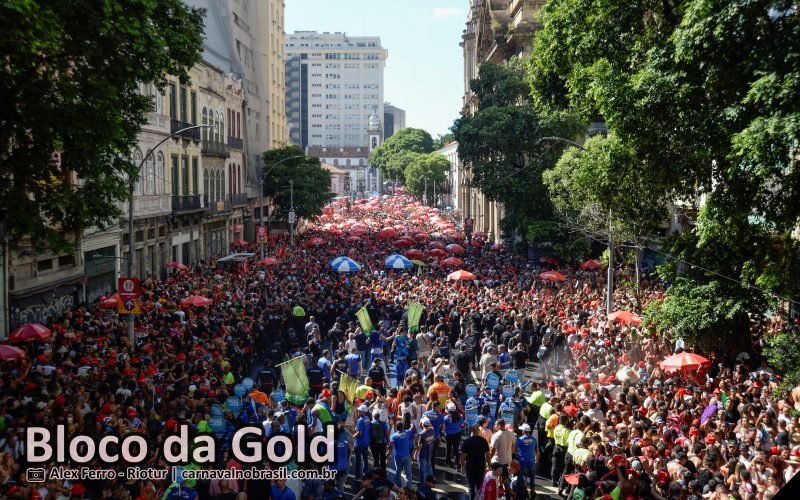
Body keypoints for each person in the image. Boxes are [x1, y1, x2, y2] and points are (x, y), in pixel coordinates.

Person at [461, 424, 491, 499]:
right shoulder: (483, 441)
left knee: (471, 487)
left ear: (472, 431)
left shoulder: (467, 441)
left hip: (470, 466)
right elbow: (488, 454)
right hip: (481, 466)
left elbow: (463, 455)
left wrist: (462, 466)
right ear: (479, 431)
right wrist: (489, 465)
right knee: (479, 486)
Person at [387, 421, 414, 488]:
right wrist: (411, 424)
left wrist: (387, 455)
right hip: (407, 456)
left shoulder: (393, 436)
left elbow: (390, 447)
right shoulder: (407, 432)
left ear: (396, 427)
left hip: (398, 457)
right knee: (408, 473)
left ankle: (398, 486)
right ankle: (409, 488)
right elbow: (411, 428)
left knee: (398, 471)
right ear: (403, 426)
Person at [516, 423, 539, 497]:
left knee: (524, 477)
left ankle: (525, 491)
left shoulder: (519, 439)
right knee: (532, 477)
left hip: (523, 462)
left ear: (523, 431)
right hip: (532, 461)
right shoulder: (534, 439)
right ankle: (532, 490)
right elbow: (537, 450)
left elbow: (515, 449)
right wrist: (536, 458)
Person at [416, 417, 436, 486]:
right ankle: (430, 483)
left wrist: (416, 453)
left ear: (422, 424)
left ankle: (423, 484)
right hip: (429, 453)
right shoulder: (432, 430)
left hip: (423, 454)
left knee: (423, 470)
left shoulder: (421, 434)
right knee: (429, 469)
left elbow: (419, 446)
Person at [354, 404, 372, 480]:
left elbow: (360, 433)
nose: (358, 412)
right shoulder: (367, 418)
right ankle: (366, 473)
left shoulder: (360, 420)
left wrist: (355, 435)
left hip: (359, 443)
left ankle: (358, 476)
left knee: (358, 460)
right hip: (366, 442)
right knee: (365, 459)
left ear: (363, 412)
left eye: (359, 411)